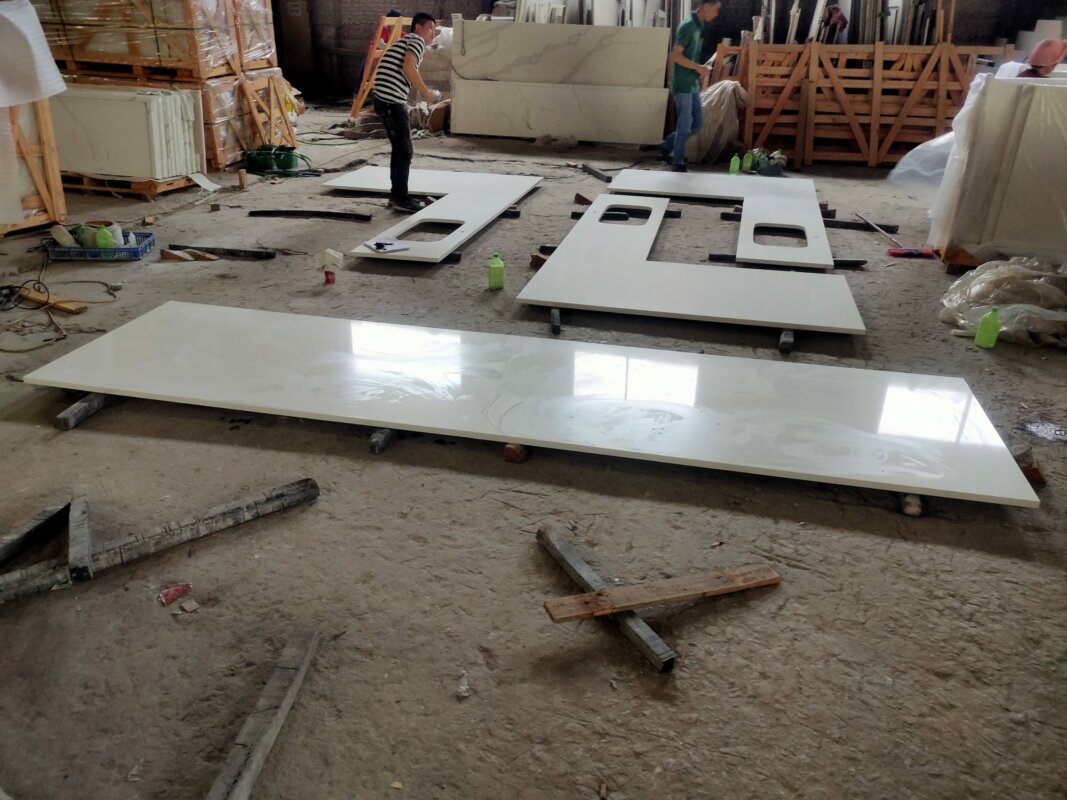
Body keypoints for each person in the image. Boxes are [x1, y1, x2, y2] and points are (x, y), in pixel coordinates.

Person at [372, 12, 440, 213]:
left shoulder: (406, 41)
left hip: (382, 99)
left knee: (400, 150)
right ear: (418, 27)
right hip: (391, 101)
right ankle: (400, 198)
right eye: (430, 28)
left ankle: (397, 195)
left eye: (435, 30)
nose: (433, 33)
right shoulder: (416, 40)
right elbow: (409, 67)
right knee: (405, 151)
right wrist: (426, 92)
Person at [659, 0, 720, 173]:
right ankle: (677, 163)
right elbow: (675, 56)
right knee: (685, 126)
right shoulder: (688, 26)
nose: (716, 14)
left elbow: (688, 56)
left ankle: (666, 144)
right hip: (683, 83)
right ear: (706, 6)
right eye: (715, 10)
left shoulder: (698, 25)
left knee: (697, 124)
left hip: (691, 83)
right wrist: (698, 68)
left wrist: (698, 69)